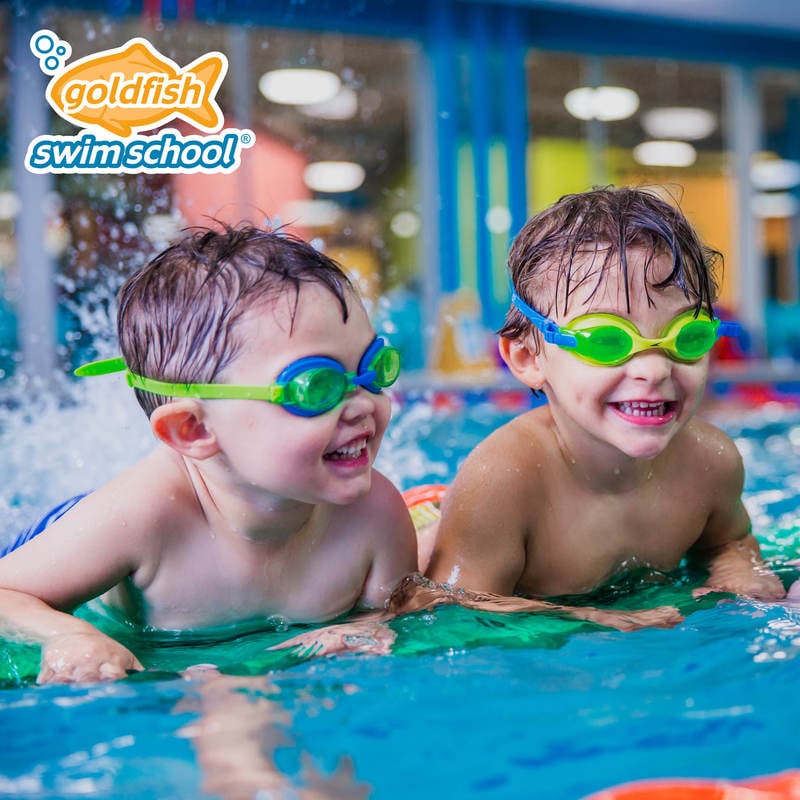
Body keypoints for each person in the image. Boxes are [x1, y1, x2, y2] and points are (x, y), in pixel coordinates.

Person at [0, 223, 418, 684]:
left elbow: (393, 620)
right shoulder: (142, 517)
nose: (362, 404)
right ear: (193, 428)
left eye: (373, 369)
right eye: (316, 386)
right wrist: (67, 635)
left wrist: (360, 633)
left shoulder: (376, 512)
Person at [424, 186, 785, 604]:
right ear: (527, 358)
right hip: (436, 518)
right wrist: (594, 620)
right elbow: (451, 614)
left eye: (687, 335)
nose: (654, 369)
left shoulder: (711, 463)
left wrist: (739, 571)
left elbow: (730, 542)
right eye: (606, 339)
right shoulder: (501, 484)